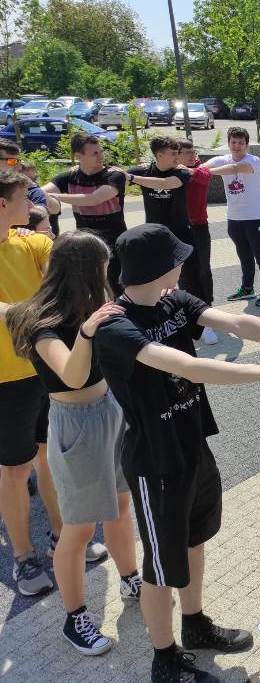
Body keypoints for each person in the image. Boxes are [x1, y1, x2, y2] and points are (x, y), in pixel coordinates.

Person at [91, 223, 260, 683]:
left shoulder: (173, 299)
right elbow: (187, 366)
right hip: (155, 461)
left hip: (192, 442)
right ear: (157, 267)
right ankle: (164, 657)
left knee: (194, 539)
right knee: (160, 565)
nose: (183, 264)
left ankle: (194, 624)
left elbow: (234, 322)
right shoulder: (116, 324)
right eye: (176, 258)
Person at [7, 231, 142, 656]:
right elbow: (72, 375)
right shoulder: (43, 322)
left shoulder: (91, 306)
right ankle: (76, 618)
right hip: (75, 424)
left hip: (110, 412)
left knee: (121, 505)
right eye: (103, 268)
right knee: (79, 527)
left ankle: (131, 577)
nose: (108, 276)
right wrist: (86, 333)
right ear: (86, 271)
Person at [0, 170, 61, 598]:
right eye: (25, 198)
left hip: (42, 369)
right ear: (3, 204)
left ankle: (63, 536)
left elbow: (62, 261)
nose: (33, 205)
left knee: (49, 457)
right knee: (16, 469)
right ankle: (23, 556)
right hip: (6, 380)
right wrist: (25, 310)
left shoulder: (29, 243)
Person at [125, 137, 206, 313]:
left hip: (181, 234)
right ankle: (158, 314)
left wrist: (132, 178)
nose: (178, 157)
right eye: (173, 153)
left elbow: (166, 184)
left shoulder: (181, 171)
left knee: (191, 277)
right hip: (154, 236)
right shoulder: (143, 171)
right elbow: (115, 176)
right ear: (159, 154)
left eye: (178, 152)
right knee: (156, 278)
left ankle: (201, 317)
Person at [43, 133, 127, 293]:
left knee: (117, 286)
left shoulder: (114, 175)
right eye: (94, 153)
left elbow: (94, 199)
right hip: (85, 242)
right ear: (78, 156)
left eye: (101, 151)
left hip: (114, 242)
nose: (101, 156)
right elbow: (42, 192)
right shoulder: (69, 176)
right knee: (88, 287)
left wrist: (54, 196)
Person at [203, 126, 260, 306]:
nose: (236, 146)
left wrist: (206, 172)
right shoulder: (222, 160)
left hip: (256, 217)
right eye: (233, 142)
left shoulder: (254, 161)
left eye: (241, 143)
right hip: (234, 218)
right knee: (244, 255)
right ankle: (247, 288)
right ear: (228, 143)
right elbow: (203, 166)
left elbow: (235, 168)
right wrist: (193, 169)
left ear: (247, 145)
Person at [177, 139, 218, 345]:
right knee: (183, 272)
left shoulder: (201, 170)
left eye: (193, 151)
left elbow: (201, 176)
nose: (192, 155)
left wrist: (186, 169)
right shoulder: (172, 173)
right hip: (177, 228)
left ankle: (207, 313)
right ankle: (188, 311)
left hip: (199, 228)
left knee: (203, 270)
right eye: (186, 152)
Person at [0, 140, 60, 233]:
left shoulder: (24, 186)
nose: (19, 167)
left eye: (19, 161)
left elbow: (41, 213)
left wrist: (26, 230)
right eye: (12, 162)